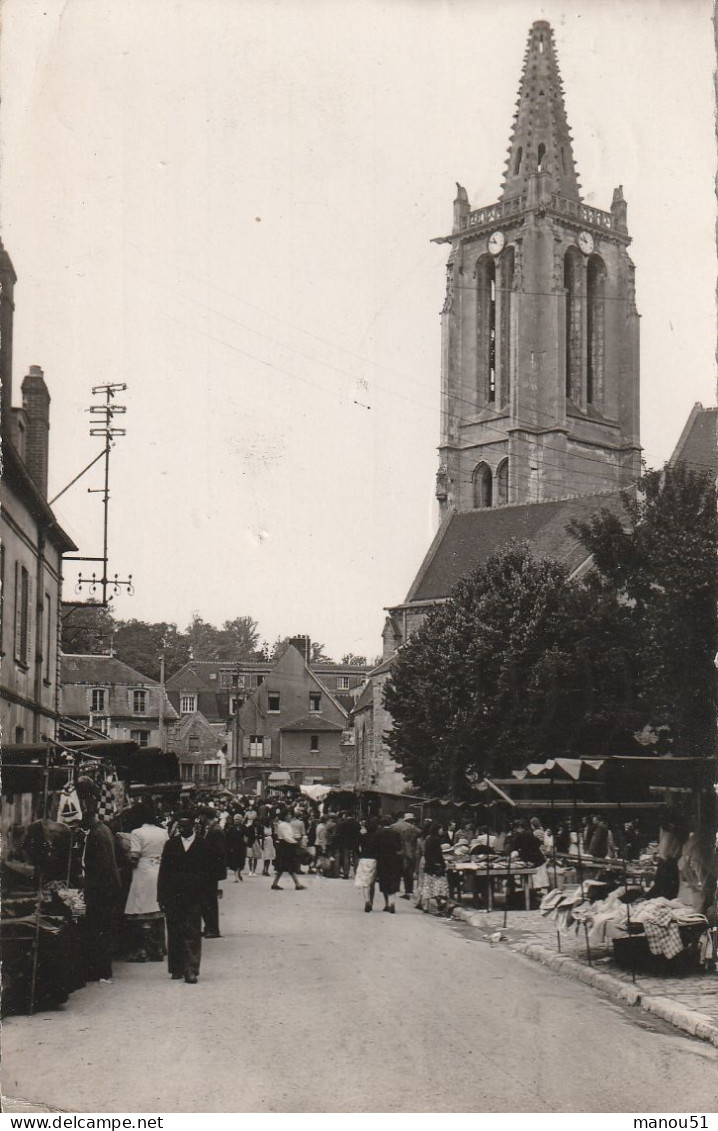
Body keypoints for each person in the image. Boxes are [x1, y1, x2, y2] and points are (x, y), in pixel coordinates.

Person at [157, 812, 210, 983]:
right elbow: (164, 872)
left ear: (193, 826)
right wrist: (161, 896)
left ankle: (191, 969)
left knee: (193, 931)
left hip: (195, 896)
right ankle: (176, 967)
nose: (181, 829)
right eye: (179, 826)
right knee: (174, 931)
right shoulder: (171, 845)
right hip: (174, 896)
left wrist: (208, 896)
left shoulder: (203, 845)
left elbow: (209, 873)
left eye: (185, 826)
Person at [82, 804, 122, 984]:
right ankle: (102, 969)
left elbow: (102, 865)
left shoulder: (97, 834)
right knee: (102, 929)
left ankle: (100, 970)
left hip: (101, 889)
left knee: (99, 929)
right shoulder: (103, 830)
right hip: (106, 887)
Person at [124, 804, 168, 962]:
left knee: (142, 911)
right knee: (157, 910)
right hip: (160, 870)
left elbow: (134, 856)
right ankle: (158, 948)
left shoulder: (137, 832)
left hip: (143, 872)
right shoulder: (163, 832)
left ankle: (142, 950)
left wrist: (126, 859)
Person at [201, 811, 227, 938]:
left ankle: (213, 929)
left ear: (205, 816)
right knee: (208, 900)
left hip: (211, 871)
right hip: (210, 870)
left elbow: (219, 852)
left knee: (210, 900)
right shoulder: (212, 829)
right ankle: (209, 927)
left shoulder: (216, 830)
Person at [418, 820, 450, 915]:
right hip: (436, 867)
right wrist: (442, 864)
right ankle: (440, 904)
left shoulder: (428, 839)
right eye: (441, 829)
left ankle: (426, 906)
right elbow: (438, 855)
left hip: (429, 867)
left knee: (428, 886)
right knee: (438, 887)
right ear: (437, 830)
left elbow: (428, 854)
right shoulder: (435, 840)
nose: (442, 831)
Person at [271, 808, 306, 891]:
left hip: (287, 845)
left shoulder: (287, 824)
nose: (290, 816)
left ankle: (275, 883)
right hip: (285, 846)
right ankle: (297, 884)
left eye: (290, 814)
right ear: (285, 816)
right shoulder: (283, 825)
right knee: (289, 865)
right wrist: (295, 843)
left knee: (283, 866)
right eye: (288, 815)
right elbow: (286, 836)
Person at [374, 814, 402, 913]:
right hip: (393, 860)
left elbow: (375, 848)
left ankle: (386, 904)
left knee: (384, 881)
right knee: (393, 881)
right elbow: (399, 848)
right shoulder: (395, 833)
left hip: (382, 860)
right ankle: (392, 901)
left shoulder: (378, 833)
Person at [391, 812, 421, 899]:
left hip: (398, 851)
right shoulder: (412, 828)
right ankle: (408, 890)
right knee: (408, 873)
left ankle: (395, 888)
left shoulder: (394, 826)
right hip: (410, 852)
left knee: (396, 871)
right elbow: (420, 833)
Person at [355, 817, 379, 912]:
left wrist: (360, 855)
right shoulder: (377, 837)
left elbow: (357, 846)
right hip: (374, 859)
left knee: (364, 882)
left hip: (364, 859)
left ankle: (367, 900)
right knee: (372, 883)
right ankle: (371, 902)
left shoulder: (363, 836)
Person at [225, 813, 246, 882]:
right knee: (235, 862)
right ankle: (236, 877)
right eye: (235, 819)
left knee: (241, 861)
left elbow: (246, 835)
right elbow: (228, 838)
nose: (236, 821)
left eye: (238, 819)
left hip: (242, 846)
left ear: (240, 820)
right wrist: (229, 847)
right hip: (234, 846)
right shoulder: (231, 828)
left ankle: (239, 872)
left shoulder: (243, 827)